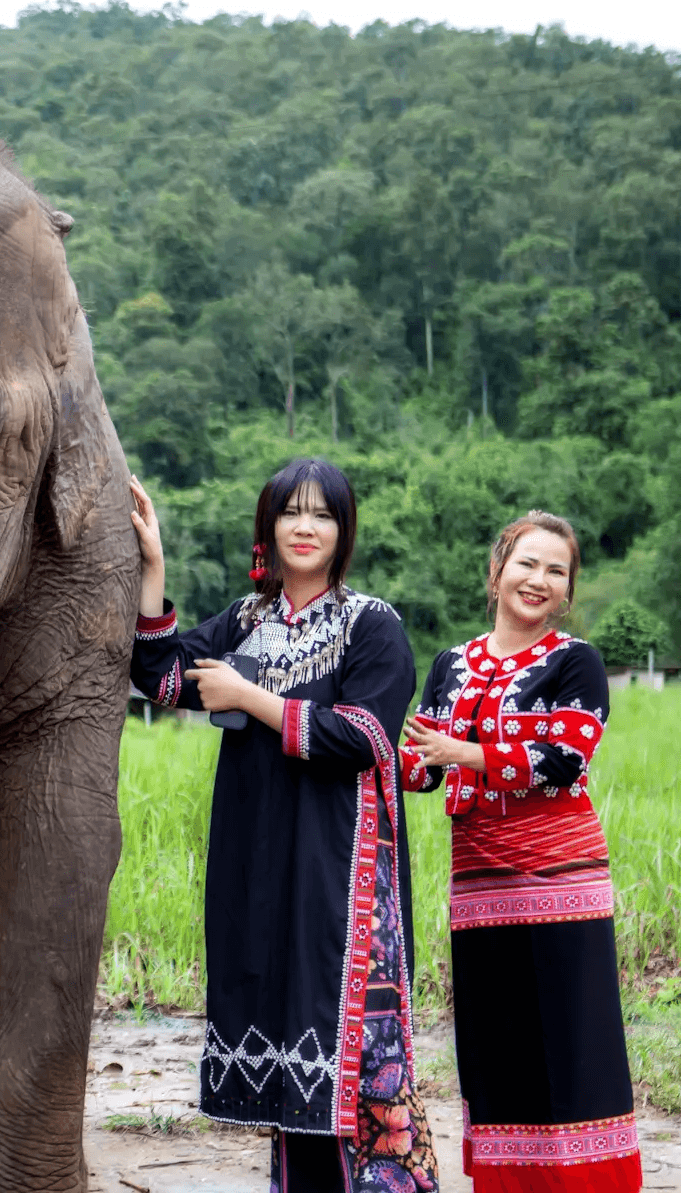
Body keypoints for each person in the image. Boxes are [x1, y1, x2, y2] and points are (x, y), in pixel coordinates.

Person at [129, 460, 438, 1193]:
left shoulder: (373, 623)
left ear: (343, 530)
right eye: (291, 512)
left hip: (342, 879)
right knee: (289, 1066)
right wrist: (153, 568)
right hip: (261, 870)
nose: (306, 526)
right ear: (269, 527)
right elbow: (164, 678)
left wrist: (249, 696)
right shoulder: (245, 622)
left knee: (361, 1067)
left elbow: (364, 736)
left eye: (323, 515)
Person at [402, 512, 639, 1193]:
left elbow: (562, 759)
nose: (538, 580)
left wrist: (462, 752)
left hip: (560, 882)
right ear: (497, 570)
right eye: (527, 563)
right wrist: (360, 743)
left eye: (556, 571)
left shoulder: (576, 661)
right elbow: (422, 770)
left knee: (575, 1049)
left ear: (568, 592)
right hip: (479, 888)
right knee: (497, 1049)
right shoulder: (451, 663)